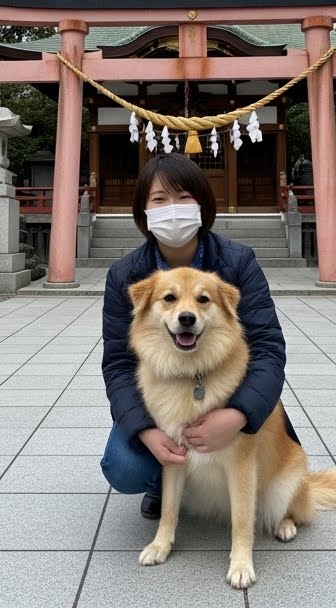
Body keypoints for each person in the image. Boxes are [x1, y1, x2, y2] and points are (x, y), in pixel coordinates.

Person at [99, 153, 292, 520]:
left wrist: (238, 414)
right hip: (161, 398)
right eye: (159, 200)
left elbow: (268, 349)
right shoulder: (126, 276)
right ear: (143, 212)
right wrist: (145, 431)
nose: (173, 209)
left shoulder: (237, 263)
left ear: (202, 204)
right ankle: (163, 481)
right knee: (124, 468)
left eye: (184, 197)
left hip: (225, 391)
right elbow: (119, 364)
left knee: (247, 439)